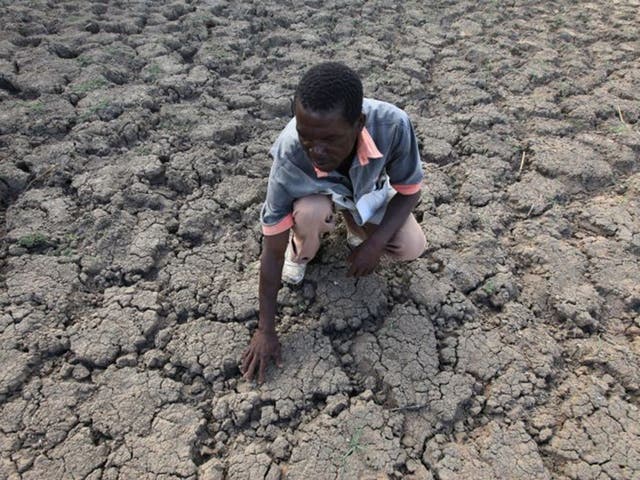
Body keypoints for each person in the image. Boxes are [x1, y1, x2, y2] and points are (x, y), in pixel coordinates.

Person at [241, 62, 426, 383]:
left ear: (359, 124)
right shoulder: (290, 154)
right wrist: (265, 330)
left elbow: (409, 191)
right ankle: (302, 251)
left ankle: (355, 228)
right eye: (307, 138)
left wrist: (374, 244)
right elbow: (270, 249)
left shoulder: (393, 125)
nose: (317, 151)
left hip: (364, 193)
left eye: (330, 139)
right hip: (316, 197)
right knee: (311, 212)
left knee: (411, 245)